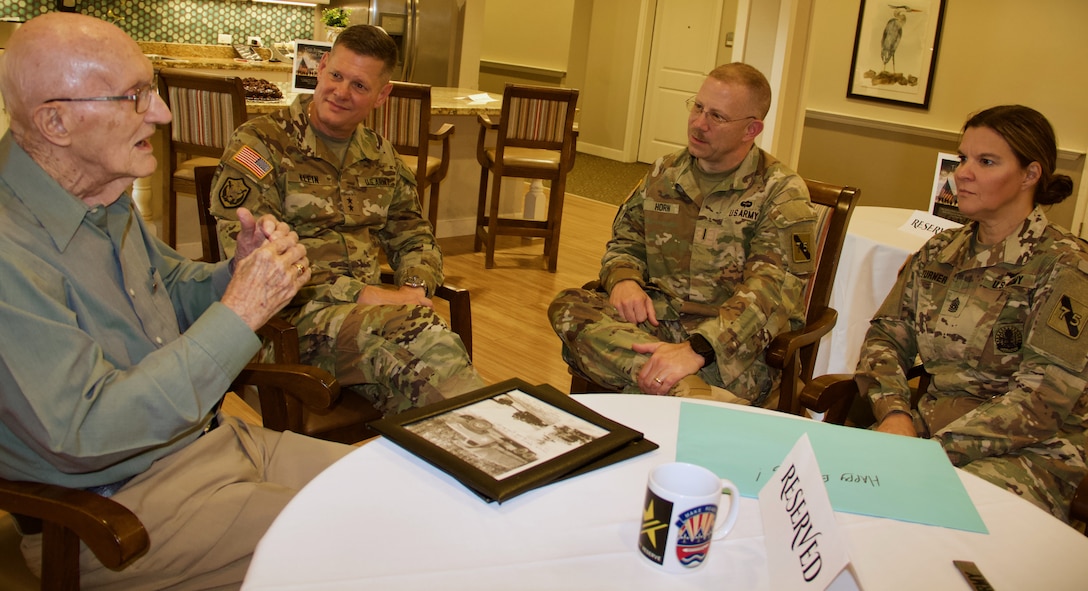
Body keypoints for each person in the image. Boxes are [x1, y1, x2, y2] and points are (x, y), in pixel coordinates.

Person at [0, 13, 355, 589]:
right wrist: (240, 312)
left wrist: (234, 275)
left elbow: (169, 290)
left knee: (399, 488)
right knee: (376, 540)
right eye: (136, 97)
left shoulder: (101, 197)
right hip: (114, 514)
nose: (162, 114)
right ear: (57, 121)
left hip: (215, 445)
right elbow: (84, 431)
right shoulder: (9, 249)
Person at [210, 24, 483, 416]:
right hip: (287, 325)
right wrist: (362, 294)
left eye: (358, 85)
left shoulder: (380, 156)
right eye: (336, 75)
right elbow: (256, 258)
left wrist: (414, 286)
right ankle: (498, 444)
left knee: (416, 373)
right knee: (423, 344)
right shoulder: (260, 144)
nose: (340, 92)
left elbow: (415, 236)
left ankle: (477, 452)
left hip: (372, 323)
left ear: (382, 95)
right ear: (320, 67)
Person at [856, 105, 1088, 522]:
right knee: (842, 489)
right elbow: (886, 337)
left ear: (1030, 175)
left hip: (1029, 451)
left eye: (986, 162)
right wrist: (894, 413)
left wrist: (933, 451)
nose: (962, 172)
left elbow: (1041, 402)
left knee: (939, 516)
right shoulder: (940, 251)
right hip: (926, 427)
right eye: (963, 158)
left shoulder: (1066, 269)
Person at [548, 63, 816, 406]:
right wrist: (623, 280)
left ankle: (672, 386)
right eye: (698, 107)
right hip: (658, 322)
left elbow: (771, 293)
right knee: (569, 306)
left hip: (731, 348)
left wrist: (698, 349)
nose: (699, 123)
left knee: (593, 350)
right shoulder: (665, 172)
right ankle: (685, 392)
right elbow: (625, 243)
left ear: (751, 129)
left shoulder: (781, 192)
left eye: (717, 117)